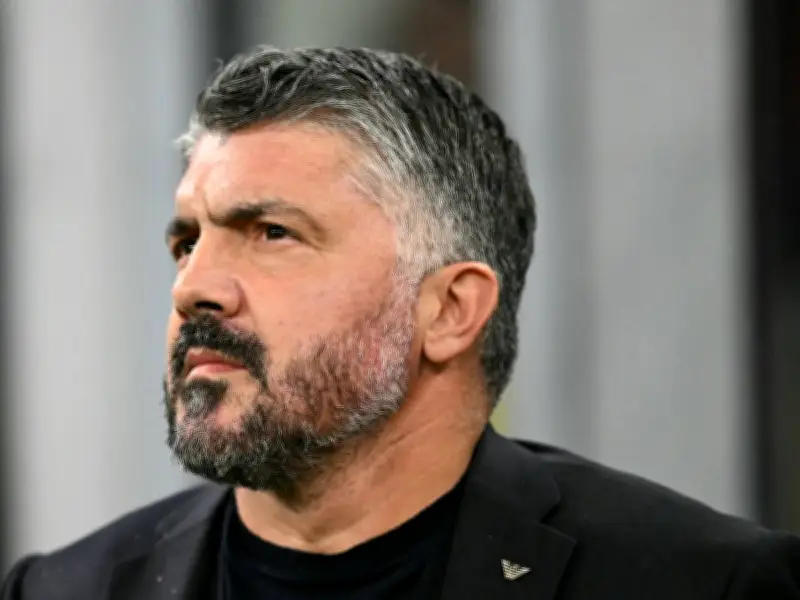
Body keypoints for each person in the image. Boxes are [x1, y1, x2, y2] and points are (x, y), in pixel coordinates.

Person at [2, 46, 799, 600]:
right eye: (187, 242)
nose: (193, 288)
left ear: (449, 310)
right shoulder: (61, 591)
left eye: (272, 233)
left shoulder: (702, 586)